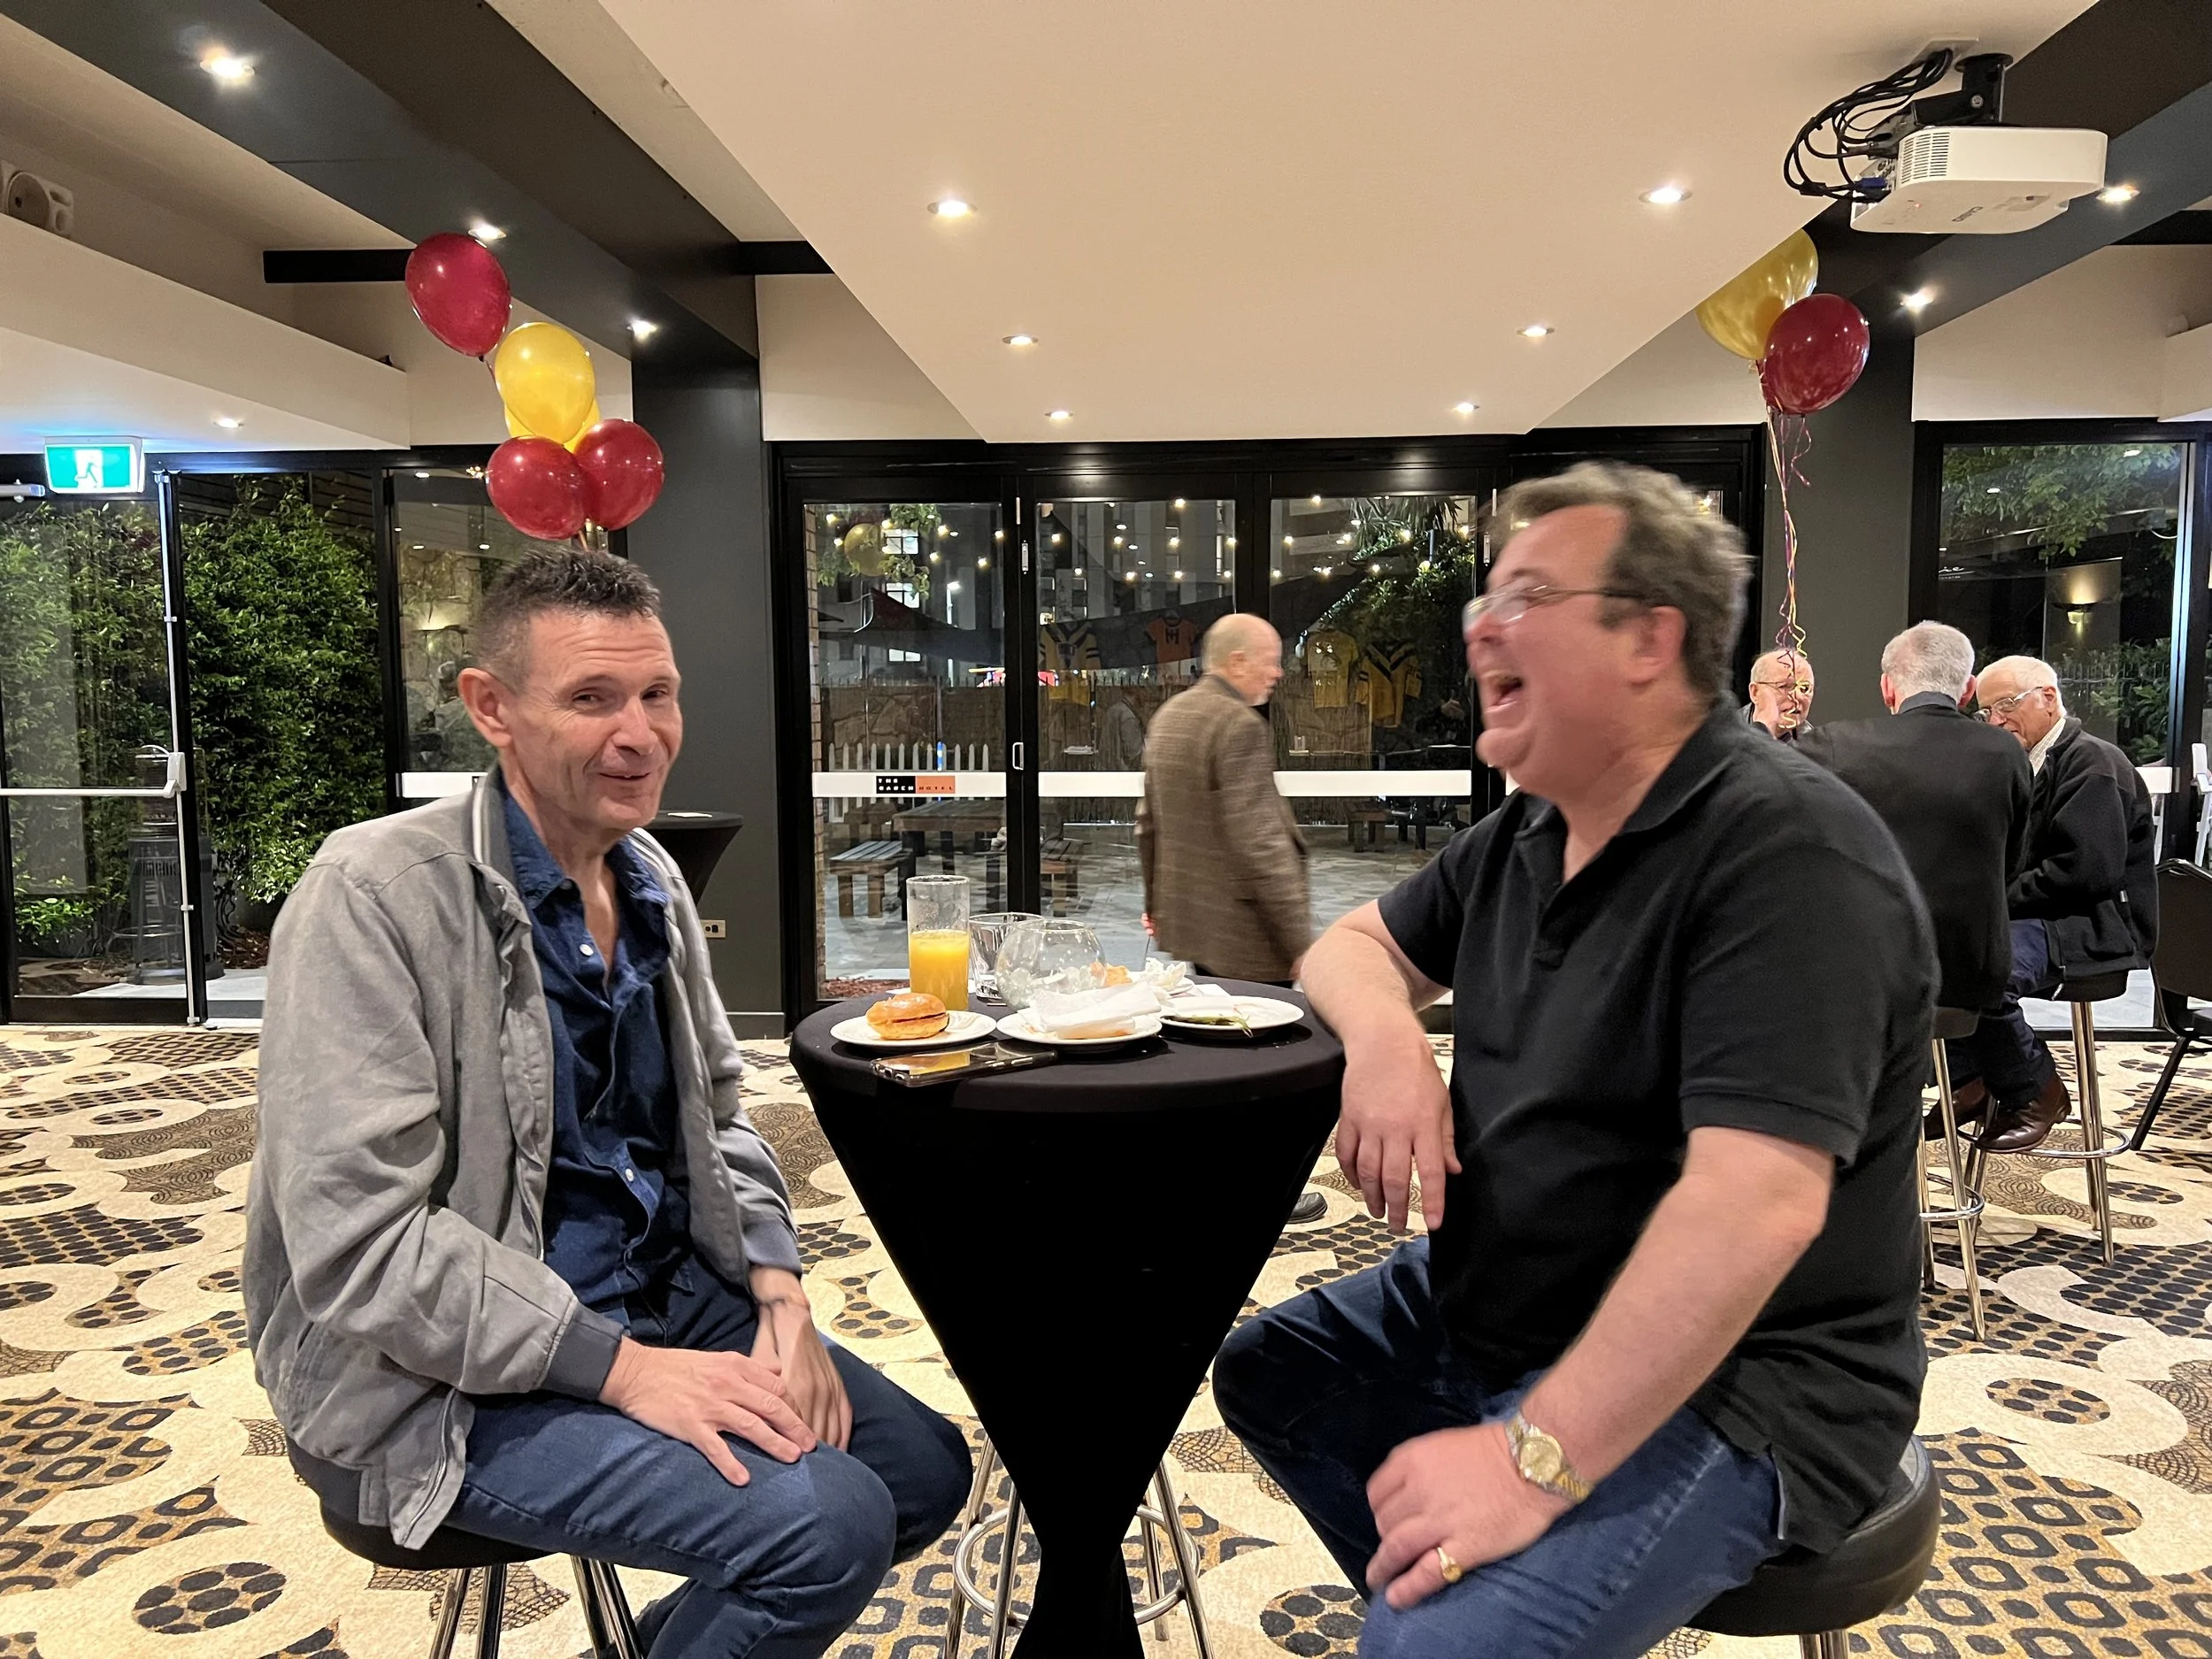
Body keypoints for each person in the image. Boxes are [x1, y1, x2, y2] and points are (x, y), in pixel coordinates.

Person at [1214, 463, 1932, 1659]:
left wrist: (1525, 1462)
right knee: (1273, 1373)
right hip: (1506, 1292)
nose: (1478, 627)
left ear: (1650, 637)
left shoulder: (1788, 854)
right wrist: (1388, 1041)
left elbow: (1753, 1205)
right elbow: (1347, 947)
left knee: (1429, 1649)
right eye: (1485, 597)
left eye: (1527, 595)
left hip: (1749, 1376)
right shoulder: (1529, 829)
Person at [244, 549, 969, 1658]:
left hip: (659, 1292)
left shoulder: (650, 876)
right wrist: (623, 1371)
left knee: (919, 1471)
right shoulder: (373, 894)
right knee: (824, 1529)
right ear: (491, 707)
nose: (641, 735)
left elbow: (718, 1117)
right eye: (591, 698)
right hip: (431, 1380)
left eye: (656, 694)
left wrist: (779, 1293)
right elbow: (362, 1247)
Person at [1796, 622, 2032, 1140]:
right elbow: (2010, 867)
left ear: (1888, 687)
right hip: (1972, 974)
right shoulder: (2006, 754)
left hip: (1866, 975)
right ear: (1968, 689)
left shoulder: (1836, 746)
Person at [1959, 655, 2158, 1151]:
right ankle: (1977, 1080)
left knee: (1984, 970)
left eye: (2006, 705)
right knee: (1936, 955)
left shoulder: (2094, 764)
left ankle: (2036, 1091)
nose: (1996, 721)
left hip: (2092, 924)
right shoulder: (2024, 763)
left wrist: (1994, 901)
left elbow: (2083, 873)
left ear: (2048, 698)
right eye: (1987, 712)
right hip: (2045, 914)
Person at [1137, 612, 1309, 985]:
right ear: (1238, 661)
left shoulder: (1168, 717)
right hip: (1250, 938)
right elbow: (1261, 843)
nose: (1278, 673)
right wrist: (1300, 943)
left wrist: (1156, 907)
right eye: (1271, 661)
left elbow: (1148, 826)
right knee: (1261, 1021)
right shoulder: (1238, 725)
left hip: (1195, 930)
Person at [1745, 647, 1815, 739]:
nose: (1799, 696)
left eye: (1805, 688)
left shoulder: (1815, 745)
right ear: (1755, 692)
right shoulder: (1727, 738)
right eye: (1785, 686)